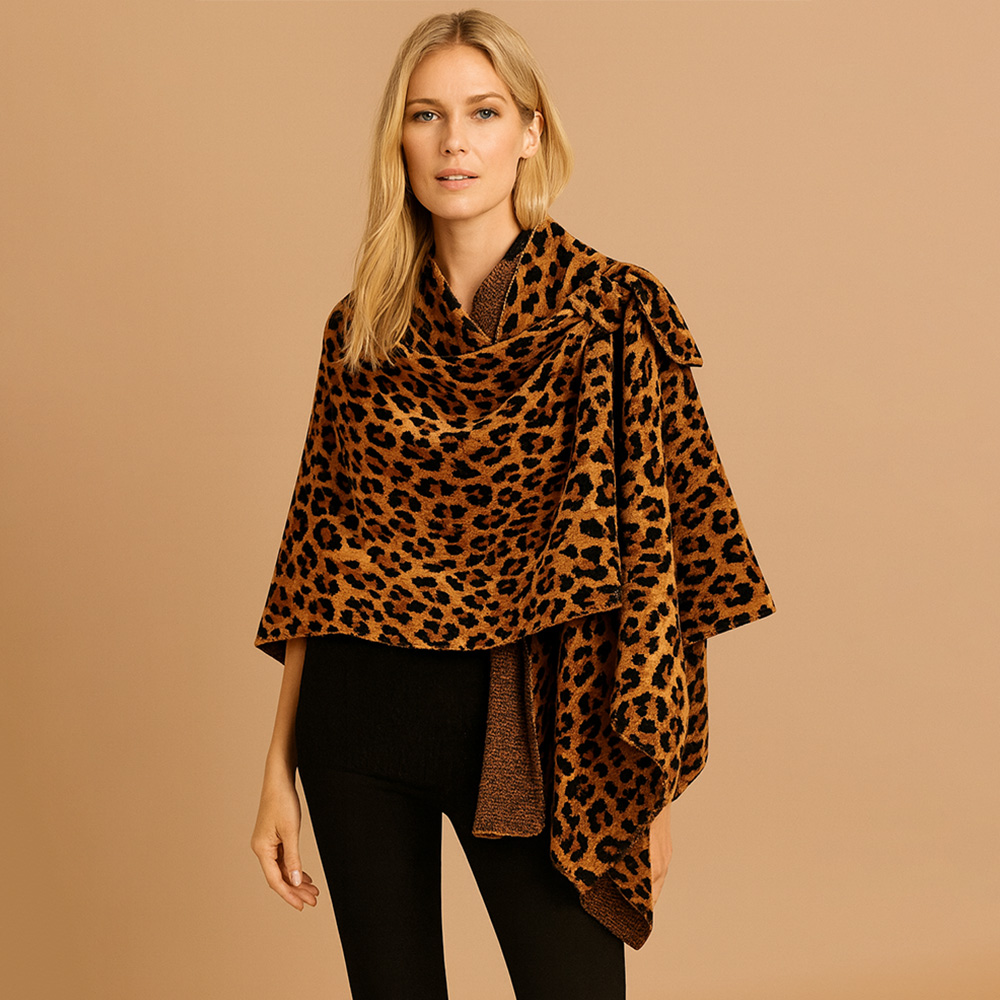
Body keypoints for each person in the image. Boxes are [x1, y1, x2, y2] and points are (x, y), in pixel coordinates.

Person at [250, 9, 775, 1000]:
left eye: (484, 112)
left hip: (533, 741)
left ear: (530, 132)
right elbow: (318, 566)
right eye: (426, 115)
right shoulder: (361, 331)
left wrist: (650, 782)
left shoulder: (614, 314)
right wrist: (277, 768)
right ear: (399, 140)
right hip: (359, 728)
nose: (454, 142)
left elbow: (663, 564)